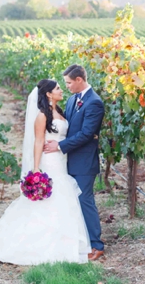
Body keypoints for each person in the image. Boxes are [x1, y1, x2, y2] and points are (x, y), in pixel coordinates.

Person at [0, 79, 90, 265]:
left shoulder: (59, 112)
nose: (62, 90)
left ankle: (63, 242)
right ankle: (42, 244)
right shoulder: (43, 115)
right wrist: (36, 169)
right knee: (54, 196)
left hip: (61, 159)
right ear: (48, 94)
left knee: (63, 197)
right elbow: (38, 141)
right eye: (58, 88)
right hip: (49, 161)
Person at [44, 64, 106, 261]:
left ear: (79, 80)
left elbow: (87, 134)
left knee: (84, 200)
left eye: (69, 83)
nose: (67, 86)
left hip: (84, 162)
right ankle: (80, 241)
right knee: (72, 202)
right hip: (66, 161)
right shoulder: (72, 100)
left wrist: (60, 146)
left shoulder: (94, 102)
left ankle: (97, 245)